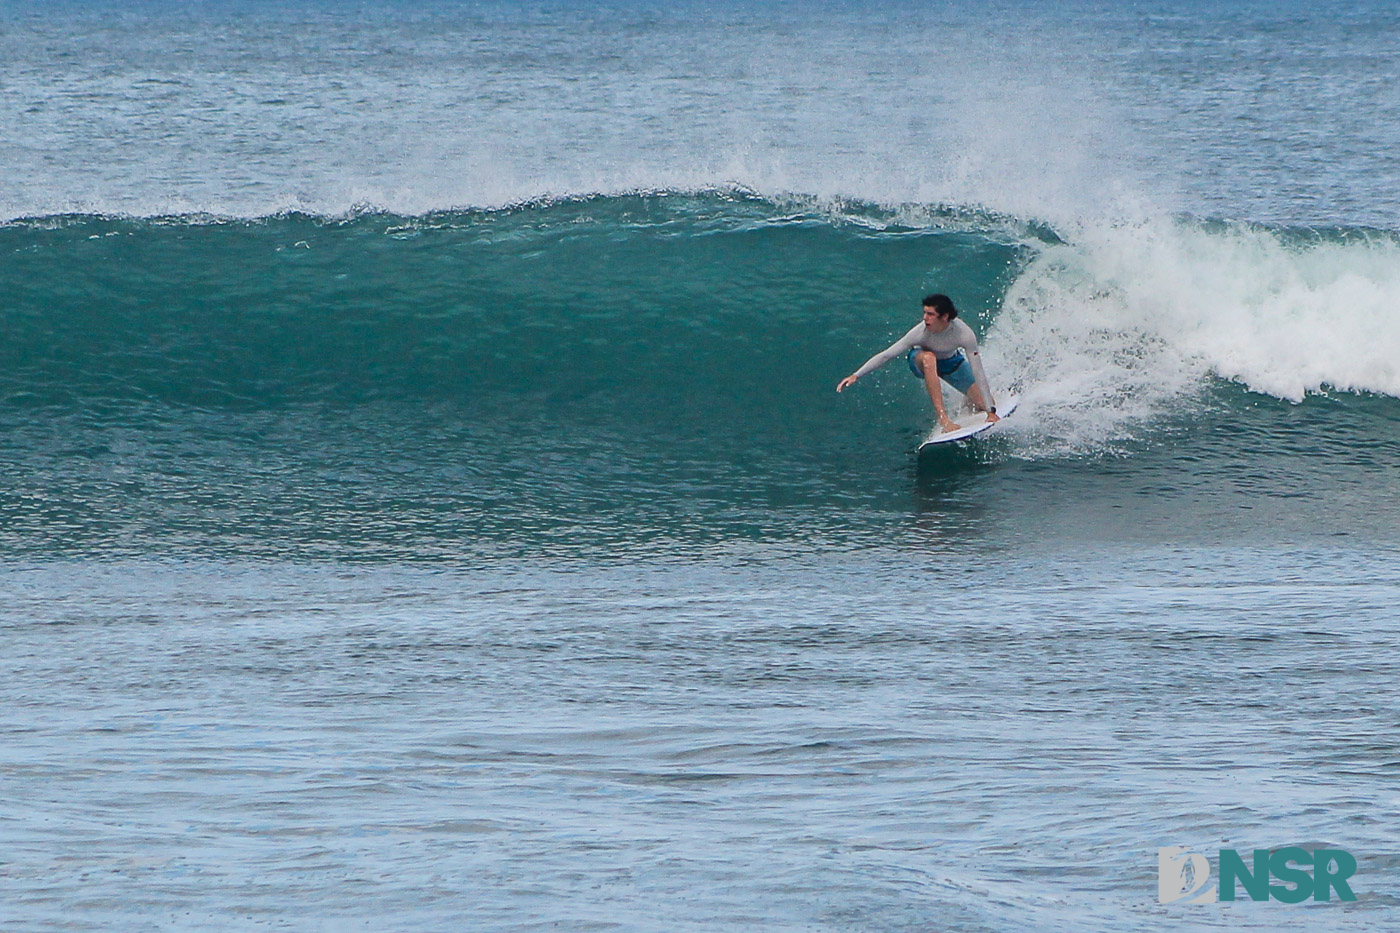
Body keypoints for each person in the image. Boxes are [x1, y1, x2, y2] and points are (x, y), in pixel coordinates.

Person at [836, 294, 999, 434]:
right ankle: (944, 420)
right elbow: (886, 355)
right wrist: (856, 374)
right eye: (924, 312)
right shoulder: (919, 333)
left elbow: (978, 371)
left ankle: (970, 399)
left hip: (951, 362)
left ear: (944, 317)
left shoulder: (964, 334)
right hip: (921, 360)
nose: (924, 318)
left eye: (930, 314)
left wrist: (991, 412)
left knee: (986, 403)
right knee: (929, 358)